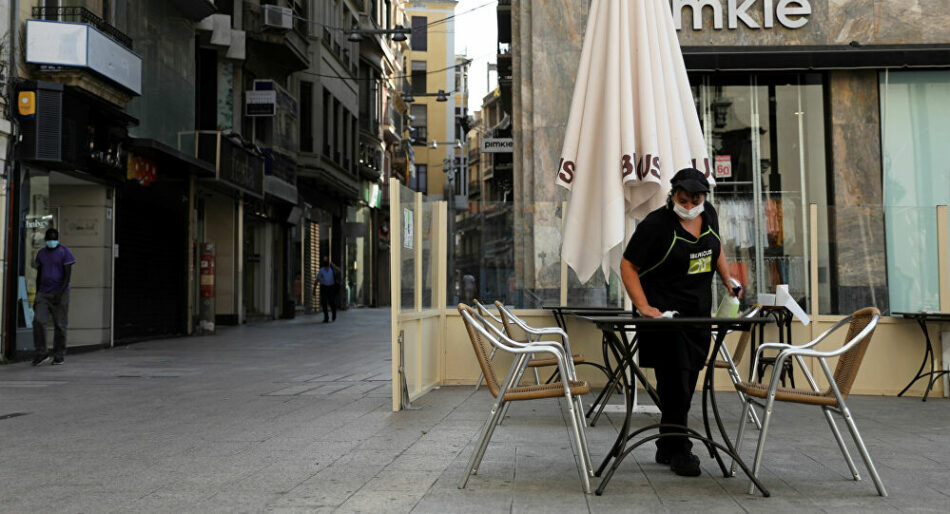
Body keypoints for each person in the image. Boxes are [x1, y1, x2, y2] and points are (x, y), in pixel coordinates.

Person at [619, 168, 739, 477]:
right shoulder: (656, 225)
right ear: (673, 194)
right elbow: (628, 264)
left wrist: (728, 280)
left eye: (694, 200)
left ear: (704, 198)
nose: (688, 206)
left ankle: (666, 444)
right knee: (675, 382)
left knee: (686, 381)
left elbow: (717, 247)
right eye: (682, 199)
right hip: (663, 317)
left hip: (698, 314)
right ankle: (681, 450)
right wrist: (643, 306)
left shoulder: (708, 214)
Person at [32, 228, 76, 366]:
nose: (52, 241)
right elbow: (39, 275)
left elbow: (67, 275)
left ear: (57, 239)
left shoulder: (65, 252)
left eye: (54, 238)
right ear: (45, 240)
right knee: (38, 321)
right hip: (43, 293)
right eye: (49, 238)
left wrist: (60, 293)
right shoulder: (41, 254)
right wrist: (37, 295)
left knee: (60, 325)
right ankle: (42, 352)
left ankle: (59, 354)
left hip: (60, 292)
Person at [314, 256, 340, 323]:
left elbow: (339, 271)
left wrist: (334, 265)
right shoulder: (321, 270)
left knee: (332, 302)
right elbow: (317, 280)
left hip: (331, 288)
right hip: (324, 288)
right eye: (324, 261)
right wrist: (314, 289)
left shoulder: (332, 269)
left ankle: (334, 314)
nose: (325, 262)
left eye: (326, 260)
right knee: (324, 303)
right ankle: (326, 317)